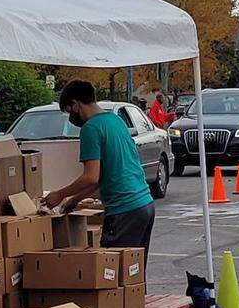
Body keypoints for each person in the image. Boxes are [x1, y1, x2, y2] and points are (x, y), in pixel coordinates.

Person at [43, 80, 156, 255]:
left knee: (111, 273)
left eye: (68, 111)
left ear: (75, 104)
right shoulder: (115, 120)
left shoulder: (91, 128)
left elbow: (91, 177)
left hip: (124, 210)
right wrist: (73, 200)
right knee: (132, 274)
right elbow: (104, 176)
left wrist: (59, 194)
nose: (70, 117)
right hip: (144, 205)